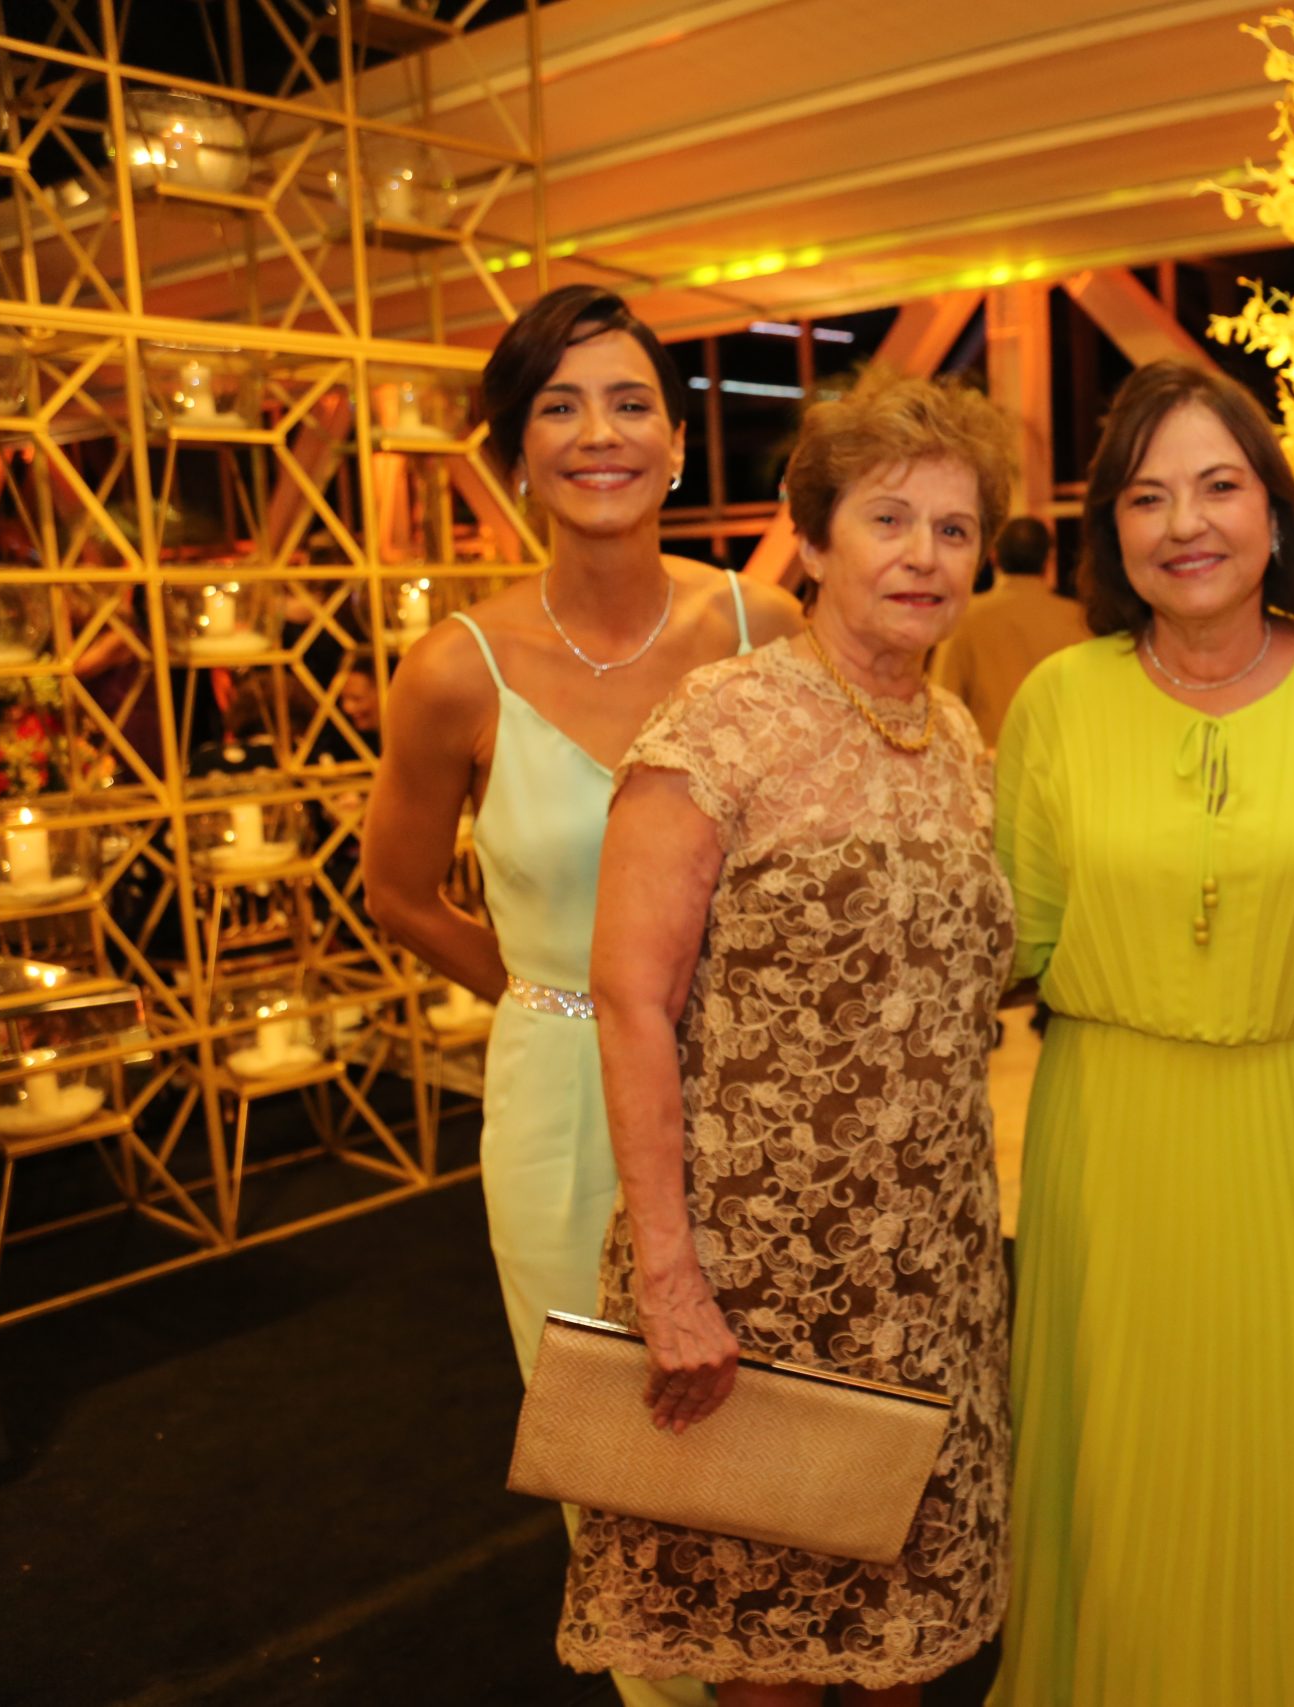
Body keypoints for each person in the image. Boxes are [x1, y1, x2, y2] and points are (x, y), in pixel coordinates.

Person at [362, 285, 800, 1707]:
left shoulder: (767, 627)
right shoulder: (456, 669)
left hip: (757, 1089)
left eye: (628, 402)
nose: (597, 433)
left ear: (675, 443)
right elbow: (398, 890)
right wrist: (560, 1000)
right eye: (558, 406)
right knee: (627, 1469)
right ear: (515, 455)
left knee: (788, 1441)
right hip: (560, 1115)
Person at [558, 371, 1018, 1705]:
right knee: (766, 1661)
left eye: (953, 528)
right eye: (888, 519)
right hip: (756, 1284)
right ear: (811, 541)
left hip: (927, 1281)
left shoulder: (959, 738)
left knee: (900, 1658)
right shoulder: (719, 724)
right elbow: (630, 999)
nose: (923, 555)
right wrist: (670, 1277)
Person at [988, 360, 1294, 1707]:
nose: (1185, 523)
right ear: (1110, 531)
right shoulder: (1059, 697)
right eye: (1146, 495)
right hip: (1109, 1140)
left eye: (1219, 486)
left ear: (1274, 513)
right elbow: (1010, 938)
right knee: (1122, 1480)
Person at [929, 514, 1090, 750]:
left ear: (993, 556)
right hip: (1059, 761)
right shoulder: (1079, 620)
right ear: (1048, 560)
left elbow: (941, 703)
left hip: (987, 762)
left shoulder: (964, 617)